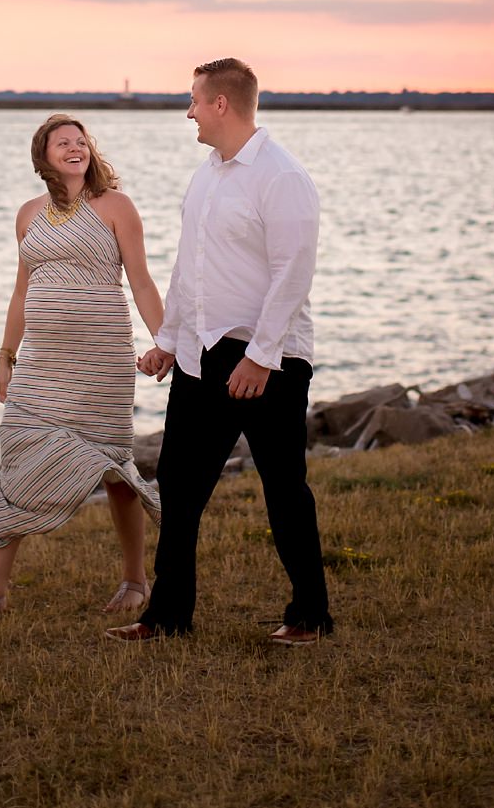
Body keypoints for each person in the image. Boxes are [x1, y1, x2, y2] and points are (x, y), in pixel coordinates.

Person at [109, 57, 332, 645]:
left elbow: (294, 273)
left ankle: (310, 615)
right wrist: (168, 341)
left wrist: (261, 357)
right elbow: (191, 271)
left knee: (284, 490)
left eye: (193, 100)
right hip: (200, 357)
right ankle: (167, 617)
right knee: (179, 491)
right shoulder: (207, 174)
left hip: (270, 361)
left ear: (221, 105)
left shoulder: (282, 176)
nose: (188, 112)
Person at [0, 115, 166, 620]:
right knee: (19, 453)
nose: (74, 147)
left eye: (80, 141)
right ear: (43, 157)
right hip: (41, 365)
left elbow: (142, 283)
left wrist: (166, 341)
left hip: (101, 363)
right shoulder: (28, 215)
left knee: (113, 468)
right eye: (62, 142)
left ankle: (136, 580)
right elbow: (21, 293)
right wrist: (6, 357)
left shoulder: (116, 207)